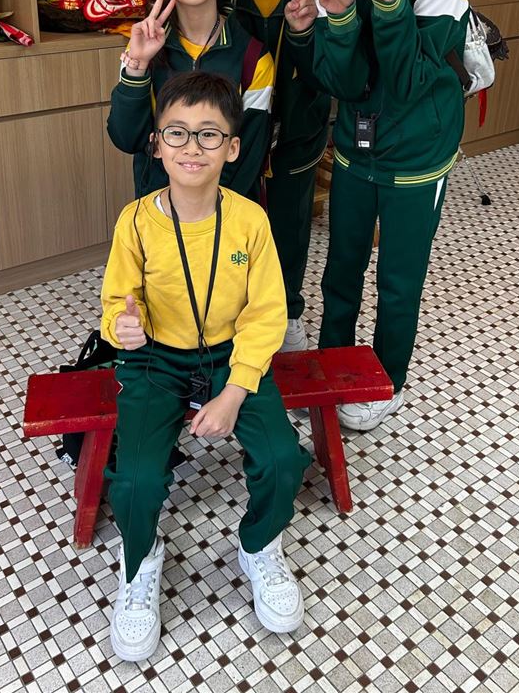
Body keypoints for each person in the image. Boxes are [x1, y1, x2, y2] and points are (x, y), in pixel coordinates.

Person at [101, 71, 310, 663]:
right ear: (156, 144)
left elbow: (266, 315)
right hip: (154, 358)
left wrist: (235, 392)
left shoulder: (250, 220)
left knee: (282, 457)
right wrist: (122, 327)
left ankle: (259, 545)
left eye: (209, 134)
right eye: (178, 132)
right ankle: (140, 559)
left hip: (230, 355)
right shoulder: (135, 221)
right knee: (135, 478)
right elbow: (116, 302)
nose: (192, 147)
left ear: (233, 148)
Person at [290, 0, 469, 431]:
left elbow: (412, 79)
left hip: (418, 151)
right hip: (355, 144)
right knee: (340, 267)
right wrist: (335, 17)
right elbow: (342, 83)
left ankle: (387, 379)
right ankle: (332, 364)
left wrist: (389, 7)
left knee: (398, 278)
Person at [222, 0, 331, 352]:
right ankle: (229, 312)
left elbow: (334, 71)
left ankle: (286, 312)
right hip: (231, 138)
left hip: (297, 134)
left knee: (288, 226)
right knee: (229, 225)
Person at [107, 0, 275, 202]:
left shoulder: (253, 58)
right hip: (159, 210)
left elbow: (248, 157)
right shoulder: (142, 51)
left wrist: (203, 213)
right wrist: (137, 65)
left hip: (227, 213)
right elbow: (127, 138)